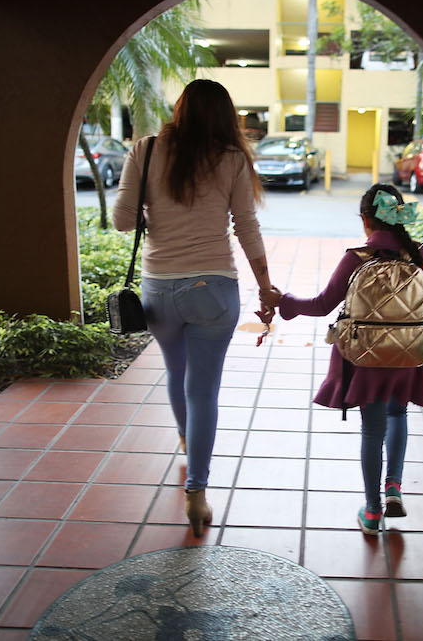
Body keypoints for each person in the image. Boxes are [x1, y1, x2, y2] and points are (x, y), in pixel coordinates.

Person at [113, 79, 275, 537]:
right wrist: (265, 286)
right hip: (213, 287)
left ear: (179, 109)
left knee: (175, 373)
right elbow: (246, 225)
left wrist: (154, 207)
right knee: (203, 391)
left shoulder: (144, 149)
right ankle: (197, 494)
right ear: (226, 117)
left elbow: (123, 222)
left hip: (158, 288)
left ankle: (187, 442)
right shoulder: (231, 159)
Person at [261, 184, 423, 535]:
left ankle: (371, 512)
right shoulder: (420, 255)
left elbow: (322, 304)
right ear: (400, 216)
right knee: (398, 413)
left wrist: (285, 302)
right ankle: (394, 487)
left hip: (365, 357)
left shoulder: (356, 258)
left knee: (372, 430)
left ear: (366, 220)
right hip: (410, 356)